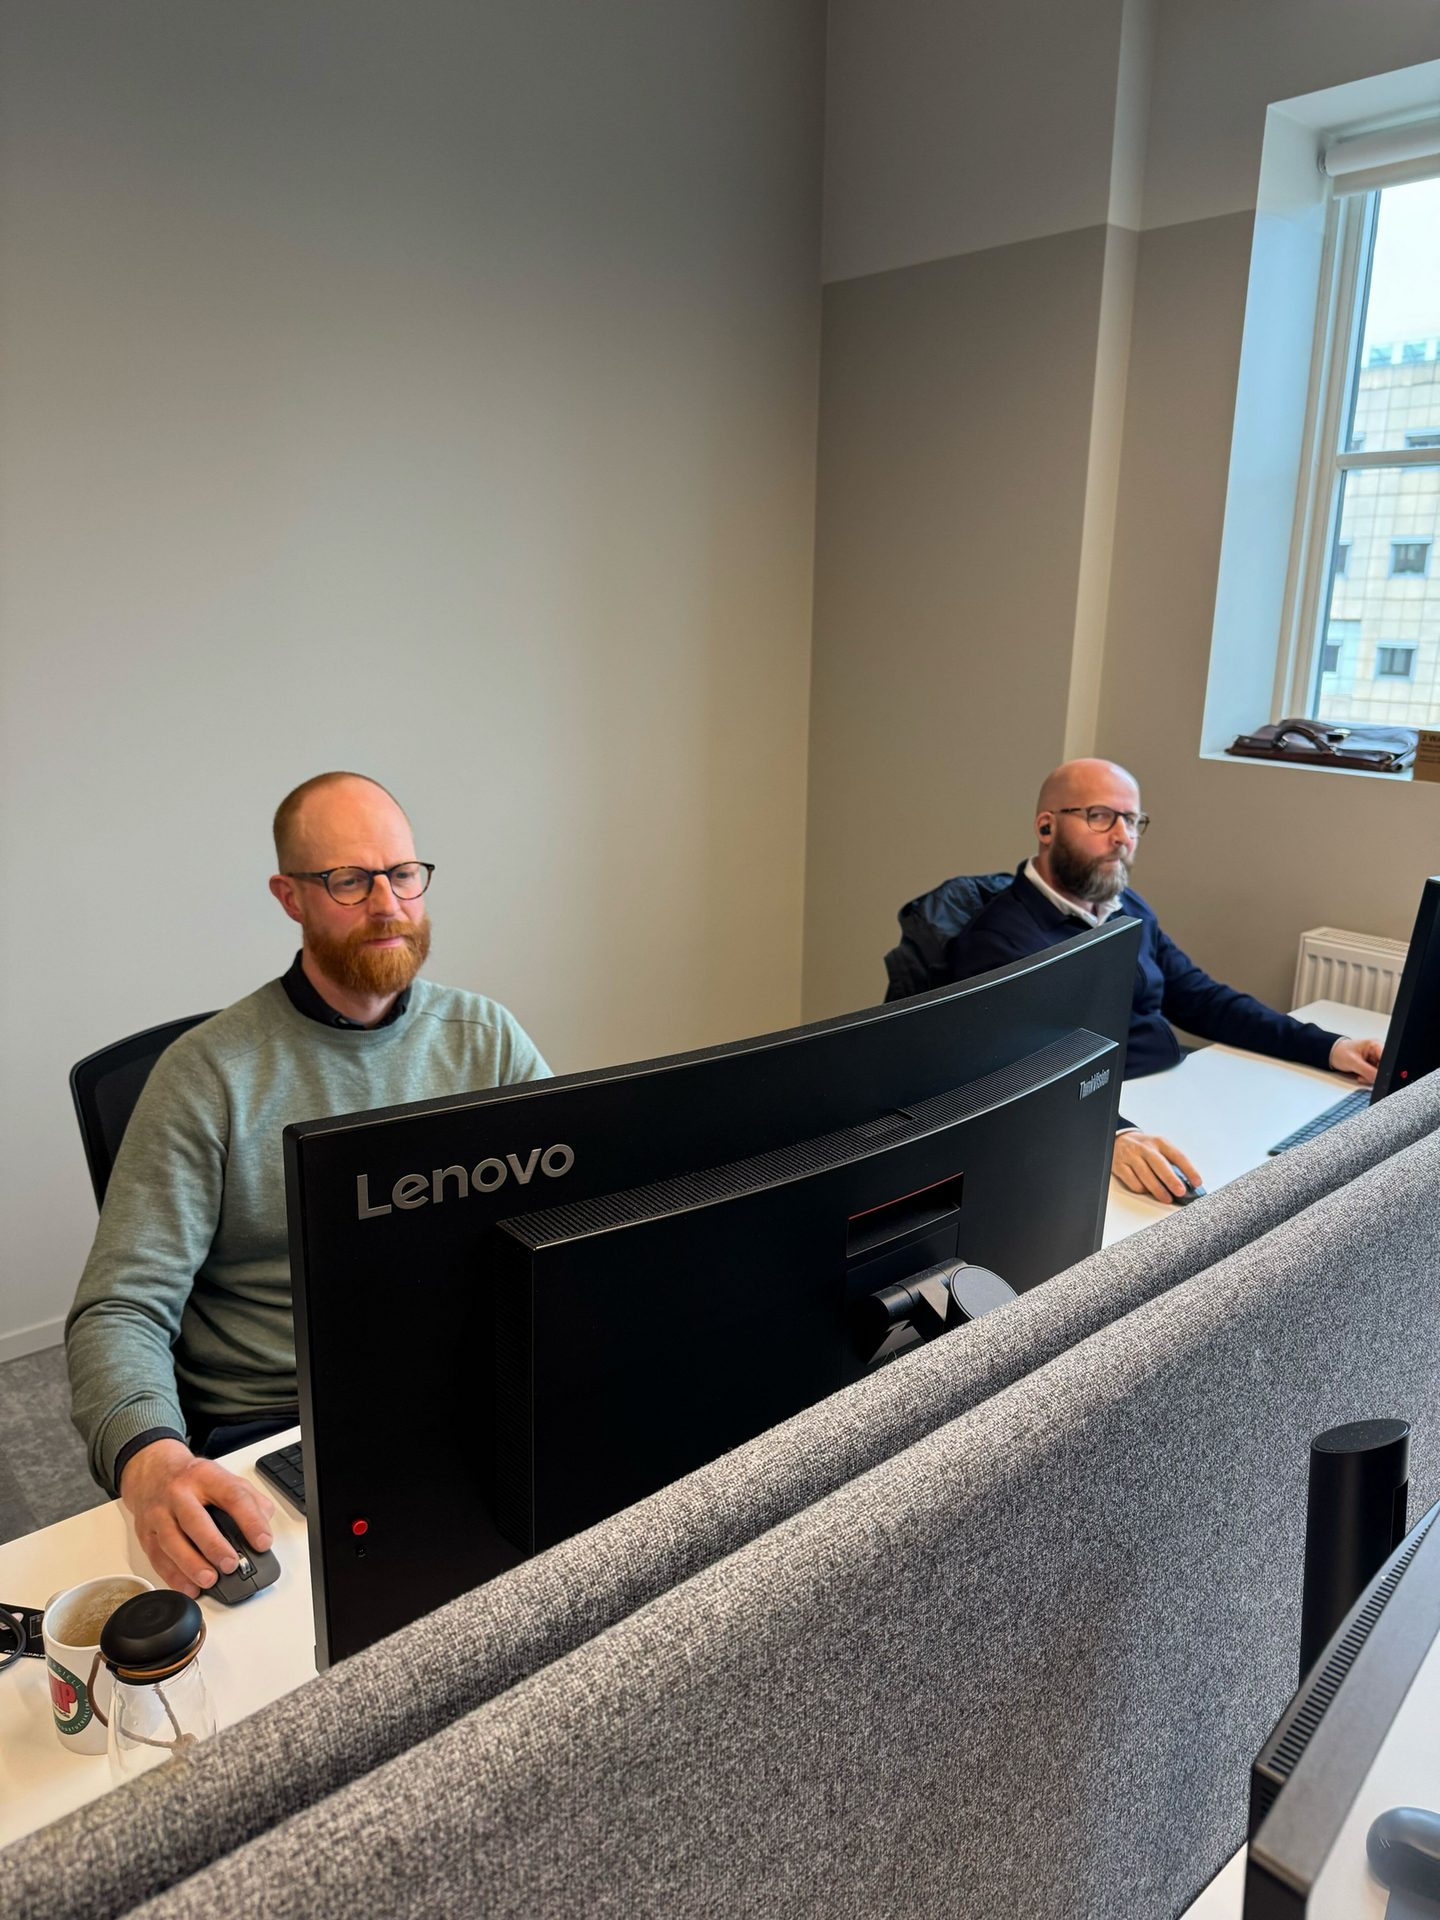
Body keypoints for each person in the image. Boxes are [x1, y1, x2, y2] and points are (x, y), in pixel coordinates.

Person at [67, 772, 550, 1598]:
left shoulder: (487, 1039)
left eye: (402, 874)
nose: (388, 904)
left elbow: (569, 1222)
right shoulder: (207, 1076)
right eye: (348, 881)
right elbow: (120, 1308)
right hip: (277, 1427)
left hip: (460, 1400)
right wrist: (149, 1457)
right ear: (289, 896)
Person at [946, 759, 1382, 1204]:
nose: (1122, 837)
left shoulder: (1125, 908)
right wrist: (1111, 1137)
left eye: (1132, 821)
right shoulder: (997, 940)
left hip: (1172, 1098)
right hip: (1098, 1129)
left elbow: (1201, 999)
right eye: (1100, 816)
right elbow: (1015, 1075)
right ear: (1046, 828)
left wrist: (1327, 1046)